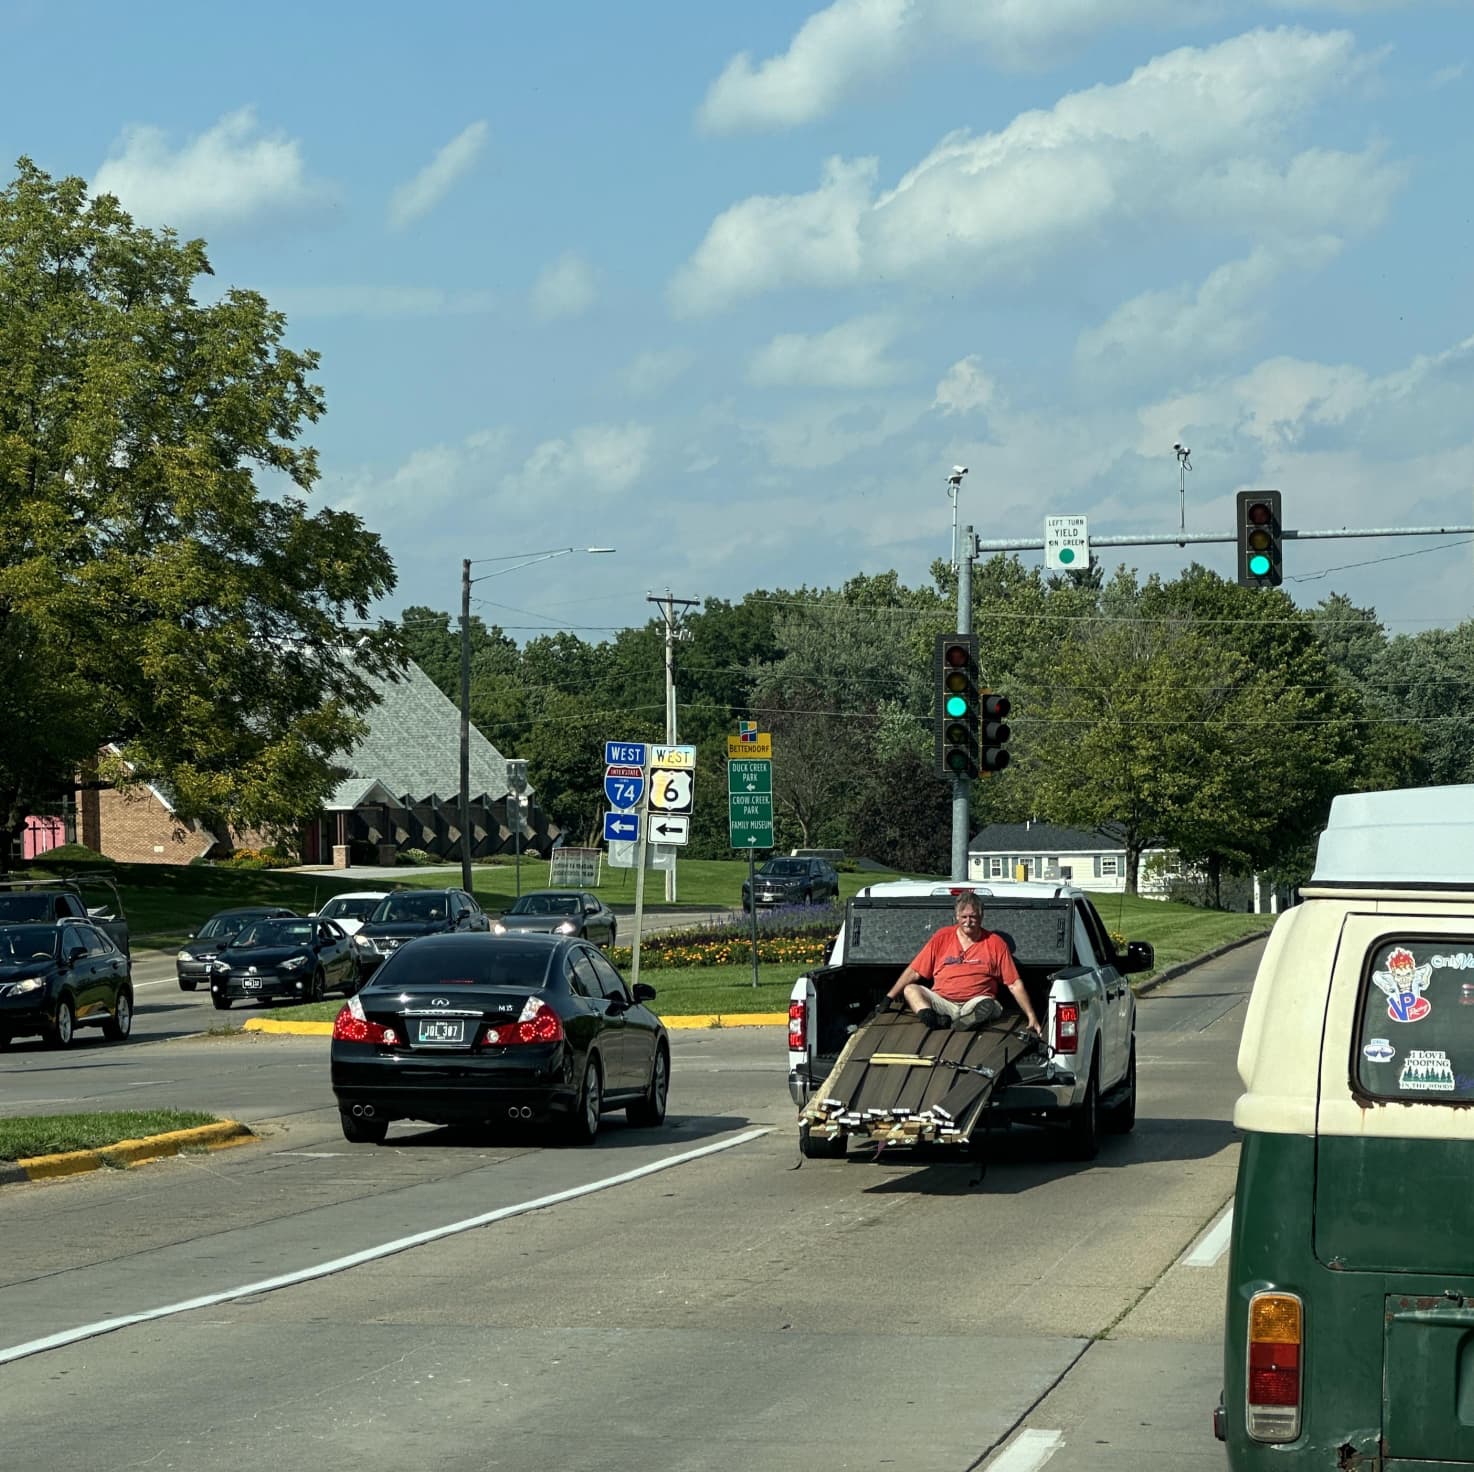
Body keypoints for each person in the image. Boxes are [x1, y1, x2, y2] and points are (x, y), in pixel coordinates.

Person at [883, 893, 1043, 1035]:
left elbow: (1014, 984)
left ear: (981, 917)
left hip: (976, 1002)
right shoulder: (942, 937)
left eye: (973, 917)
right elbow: (914, 971)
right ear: (957, 917)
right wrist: (889, 998)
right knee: (911, 990)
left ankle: (969, 1019)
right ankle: (932, 1019)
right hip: (943, 1002)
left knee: (989, 1005)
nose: (968, 922)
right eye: (964, 917)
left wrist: (1031, 1016)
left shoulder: (995, 943)